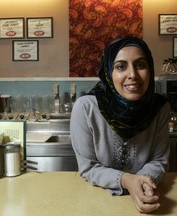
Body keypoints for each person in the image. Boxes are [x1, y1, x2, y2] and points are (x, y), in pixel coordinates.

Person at [70, 36, 170, 214]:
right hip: (98, 203)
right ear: (109, 73)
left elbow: (159, 160)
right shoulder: (85, 108)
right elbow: (88, 167)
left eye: (140, 65)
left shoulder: (160, 107)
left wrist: (144, 184)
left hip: (148, 194)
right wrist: (127, 181)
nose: (132, 74)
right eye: (121, 66)